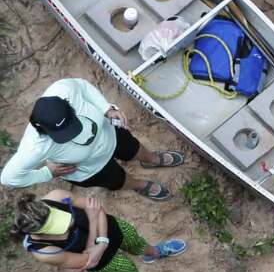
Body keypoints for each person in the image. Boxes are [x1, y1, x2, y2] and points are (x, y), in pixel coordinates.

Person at [2, 79, 181, 198]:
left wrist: (106, 108)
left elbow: (82, 86)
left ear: (67, 103)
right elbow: (9, 178)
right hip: (91, 168)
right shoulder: (34, 147)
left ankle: (152, 159)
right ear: (42, 128)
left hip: (108, 134)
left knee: (131, 147)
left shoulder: (63, 89)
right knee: (116, 178)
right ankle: (139, 185)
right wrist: (47, 173)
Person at [12, 190, 189, 272]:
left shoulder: (57, 197)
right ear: (39, 232)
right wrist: (91, 219)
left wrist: (101, 242)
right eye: (56, 227)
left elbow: (99, 210)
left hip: (111, 230)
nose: (70, 222)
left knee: (136, 241)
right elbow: (90, 261)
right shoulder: (44, 252)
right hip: (105, 262)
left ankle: (154, 252)